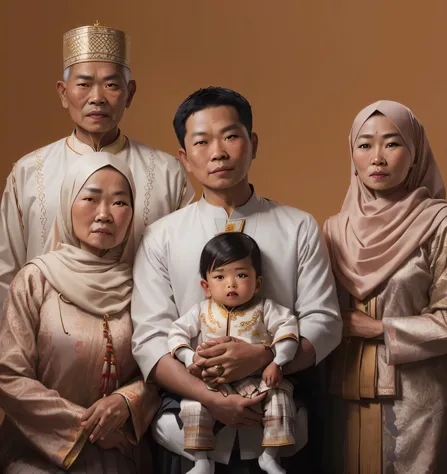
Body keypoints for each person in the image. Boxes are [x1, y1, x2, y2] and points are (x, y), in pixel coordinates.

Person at [131, 86, 342, 471]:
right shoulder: (161, 236)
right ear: (184, 157)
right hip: (189, 435)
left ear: (253, 142)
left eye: (230, 136)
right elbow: (149, 338)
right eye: (202, 142)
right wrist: (208, 395)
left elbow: (324, 323)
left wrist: (264, 359)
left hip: (280, 425)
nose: (218, 152)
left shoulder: (298, 227)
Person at [323, 100, 447, 473]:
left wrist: (378, 329)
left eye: (392, 143)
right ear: (352, 154)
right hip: (344, 396)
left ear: (415, 152)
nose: (377, 158)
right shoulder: (333, 229)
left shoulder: (441, 223)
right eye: (365, 145)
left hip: (419, 403)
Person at [0, 22, 194, 308]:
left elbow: (187, 269)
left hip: (140, 338)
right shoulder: (29, 171)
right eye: (83, 84)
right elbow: (7, 272)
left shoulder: (168, 173)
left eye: (111, 85)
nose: (97, 98)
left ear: (130, 93)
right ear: (63, 93)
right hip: (44, 338)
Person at [0, 153, 161, 473]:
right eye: (90, 198)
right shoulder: (36, 280)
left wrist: (126, 402)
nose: (105, 214)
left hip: (120, 451)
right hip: (37, 453)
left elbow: (160, 369)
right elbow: (8, 374)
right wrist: (83, 426)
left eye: (119, 203)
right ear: (66, 203)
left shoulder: (142, 286)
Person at [169, 232, 299, 474]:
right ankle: (201, 461)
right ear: (206, 287)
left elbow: (288, 330)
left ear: (257, 282)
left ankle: (270, 456)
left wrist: (277, 362)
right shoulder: (201, 311)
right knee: (193, 405)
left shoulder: (265, 308)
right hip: (213, 383)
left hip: (256, 380)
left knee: (280, 396)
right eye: (220, 276)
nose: (231, 284)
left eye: (241, 275)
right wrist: (190, 358)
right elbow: (176, 334)